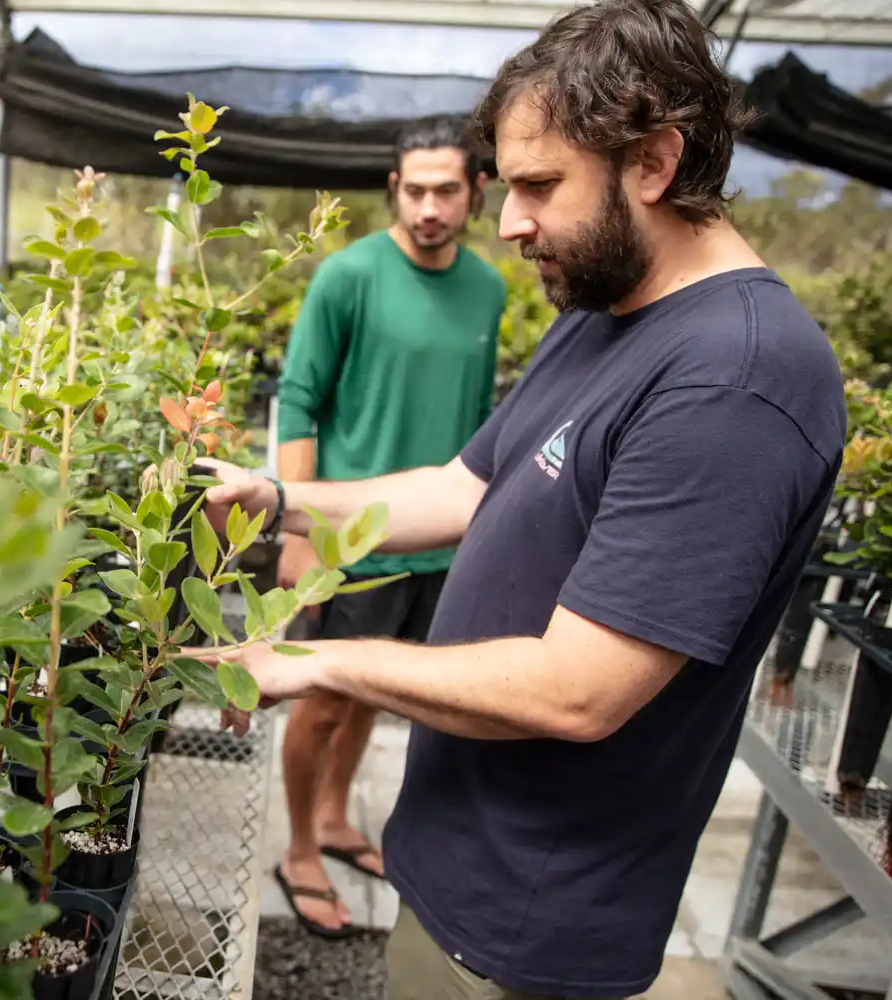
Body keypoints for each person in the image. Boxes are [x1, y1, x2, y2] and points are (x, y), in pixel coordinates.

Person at [196, 1, 847, 997]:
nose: (506, 223)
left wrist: (313, 659)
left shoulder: (736, 382)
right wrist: (275, 499)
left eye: (540, 185)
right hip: (456, 848)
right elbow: (459, 487)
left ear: (654, 162)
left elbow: (576, 692)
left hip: (532, 912)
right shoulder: (606, 306)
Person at [270, 115, 507, 938]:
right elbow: (298, 400)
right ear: (393, 190)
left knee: (379, 690)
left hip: (439, 544)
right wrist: (297, 534)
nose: (429, 207)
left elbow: (478, 421)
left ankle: (335, 817)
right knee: (322, 702)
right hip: (349, 540)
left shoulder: (489, 287)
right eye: (414, 191)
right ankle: (299, 849)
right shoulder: (350, 275)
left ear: (476, 191)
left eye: (446, 190)